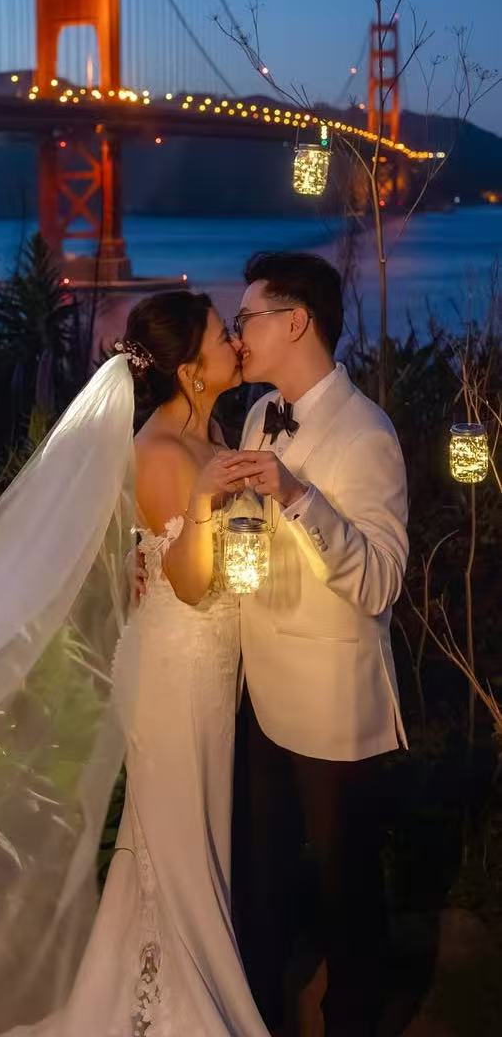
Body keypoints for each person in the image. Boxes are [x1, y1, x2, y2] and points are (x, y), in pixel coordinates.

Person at [55, 290, 269, 1036]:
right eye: (222, 336)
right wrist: (207, 504)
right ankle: (180, 1013)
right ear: (190, 370)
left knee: (184, 841)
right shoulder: (161, 451)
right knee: (178, 846)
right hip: (175, 673)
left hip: (205, 667)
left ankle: (142, 995)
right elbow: (185, 581)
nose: (236, 344)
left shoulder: (207, 435)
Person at [227, 252, 408, 1037]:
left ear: (294, 321)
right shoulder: (257, 412)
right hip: (260, 695)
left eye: (246, 320)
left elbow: (377, 585)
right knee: (263, 881)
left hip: (334, 709)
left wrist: (301, 497)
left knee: (347, 899)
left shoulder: (366, 433)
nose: (237, 335)